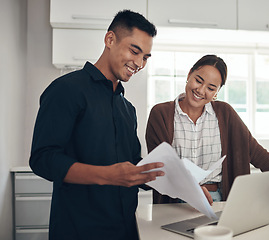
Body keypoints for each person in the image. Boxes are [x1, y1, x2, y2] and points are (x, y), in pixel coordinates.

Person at [29, 10, 164, 240]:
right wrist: (108, 175)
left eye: (146, 57)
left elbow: (133, 166)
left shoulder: (127, 109)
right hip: (78, 231)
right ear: (110, 40)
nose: (139, 63)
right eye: (135, 51)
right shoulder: (66, 90)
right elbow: (43, 159)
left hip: (126, 230)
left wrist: (181, 184)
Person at [145, 54, 269, 205]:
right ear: (190, 74)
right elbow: (160, 167)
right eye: (198, 80)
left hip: (218, 200)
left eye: (211, 87)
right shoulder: (161, 114)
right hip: (176, 201)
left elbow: (258, 154)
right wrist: (190, 189)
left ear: (217, 91)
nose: (201, 90)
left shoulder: (225, 114)